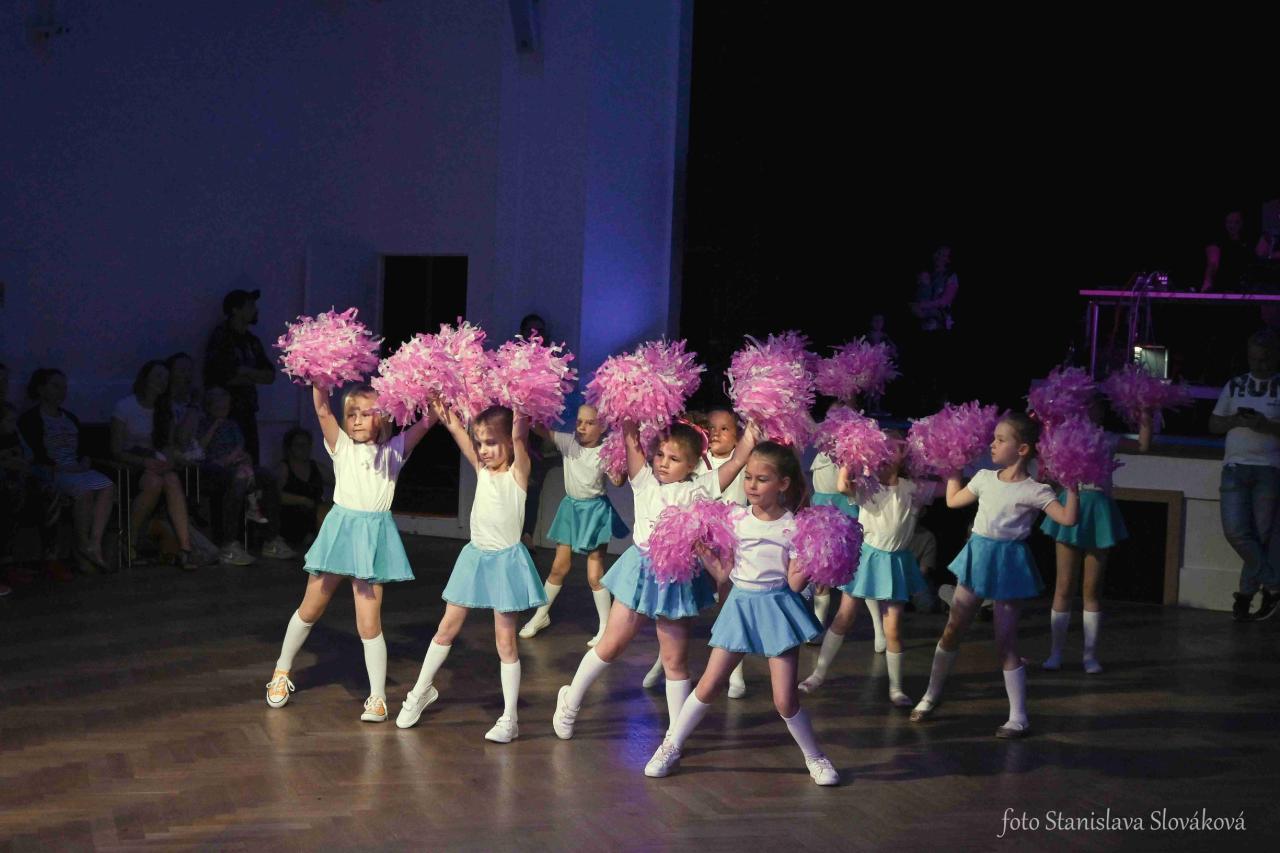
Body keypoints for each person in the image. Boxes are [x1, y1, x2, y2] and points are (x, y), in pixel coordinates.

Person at [642, 441, 838, 786]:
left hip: (777, 608)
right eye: (748, 477)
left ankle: (815, 757)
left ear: (783, 484)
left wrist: (815, 557)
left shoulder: (794, 526)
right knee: (708, 685)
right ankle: (670, 746)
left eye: (762, 479)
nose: (752, 485)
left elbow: (794, 583)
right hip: (740, 607)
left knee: (784, 699)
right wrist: (700, 549)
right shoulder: (735, 519)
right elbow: (724, 573)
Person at [550, 419, 757, 743]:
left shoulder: (699, 488)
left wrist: (754, 431)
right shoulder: (644, 479)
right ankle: (570, 700)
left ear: (693, 463)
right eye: (659, 454)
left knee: (675, 660)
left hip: (676, 577)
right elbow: (630, 436)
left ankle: (675, 736)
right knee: (611, 645)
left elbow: (737, 460)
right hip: (640, 571)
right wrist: (630, 411)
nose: (663, 463)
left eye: (674, 459)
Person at [264, 385, 436, 721]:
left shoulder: (395, 450)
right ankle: (281, 671)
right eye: (351, 414)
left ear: (382, 417)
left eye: (365, 413)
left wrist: (435, 398)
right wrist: (319, 381)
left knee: (369, 623)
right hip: (341, 533)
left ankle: (377, 697)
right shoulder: (341, 446)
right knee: (310, 608)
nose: (356, 420)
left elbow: (427, 423)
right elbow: (322, 410)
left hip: (372, 539)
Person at [910, 414, 1078, 738]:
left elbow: (1068, 519)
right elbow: (953, 500)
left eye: (1001, 440)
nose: (993, 444)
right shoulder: (985, 478)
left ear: (1023, 449)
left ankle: (1019, 716)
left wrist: (1073, 484)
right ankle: (931, 695)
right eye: (994, 438)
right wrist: (954, 467)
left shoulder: (1036, 490)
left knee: (1005, 641)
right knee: (953, 629)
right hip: (978, 557)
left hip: (1009, 564)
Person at [396, 403, 545, 743]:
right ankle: (420, 691)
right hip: (475, 558)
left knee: (505, 641)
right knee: (445, 628)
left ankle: (509, 718)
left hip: (506, 562)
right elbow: (456, 430)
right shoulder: (481, 468)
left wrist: (522, 401)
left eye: (492, 442)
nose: (484, 450)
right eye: (480, 443)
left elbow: (520, 436)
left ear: (509, 441)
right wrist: (441, 407)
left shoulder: (518, 472)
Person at [799, 431, 940, 706]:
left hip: (895, 561)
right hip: (868, 558)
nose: (886, 454)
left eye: (894, 448)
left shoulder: (913, 488)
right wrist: (849, 455)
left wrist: (950, 461)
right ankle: (818, 674)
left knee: (893, 628)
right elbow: (842, 485)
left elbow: (948, 490)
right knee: (844, 616)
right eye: (881, 449)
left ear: (904, 455)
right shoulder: (867, 486)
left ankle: (896, 688)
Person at [519, 404, 628, 646]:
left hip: (595, 512)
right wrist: (526, 405)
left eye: (589, 423)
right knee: (559, 567)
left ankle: (605, 627)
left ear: (602, 427)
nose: (582, 427)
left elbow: (618, 482)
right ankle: (541, 615)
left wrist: (619, 460)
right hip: (570, 509)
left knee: (594, 574)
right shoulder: (568, 442)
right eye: (579, 421)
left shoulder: (606, 451)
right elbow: (539, 429)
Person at [1210, 330, 1280, 621]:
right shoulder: (1236, 385)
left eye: (1264, 360)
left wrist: (1266, 426)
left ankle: (1245, 596)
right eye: (1253, 359)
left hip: (1269, 469)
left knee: (1259, 538)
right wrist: (1235, 420)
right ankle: (1274, 586)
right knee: (1236, 532)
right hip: (1236, 467)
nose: (1258, 365)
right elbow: (1214, 424)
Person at [18, 369, 116, 572]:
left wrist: (85, 460)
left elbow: (83, 449)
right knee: (84, 492)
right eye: (55, 386)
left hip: (77, 468)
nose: (62, 391)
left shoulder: (70, 417)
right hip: (54, 471)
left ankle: (94, 543)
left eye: (64, 387)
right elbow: (34, 456)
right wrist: (63, 467)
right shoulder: (31, 419)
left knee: (107, 485)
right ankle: (82, 545)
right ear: (41, 389)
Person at [111, 361, 195, 569]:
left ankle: (185, 548)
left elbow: (168, 444)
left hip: (157, 462)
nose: (162, 381)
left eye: (165, 378)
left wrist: (167, 462)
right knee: (154, 482)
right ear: (145, 378)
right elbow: (116, 450)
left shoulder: (164, 411)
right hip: (132, 464)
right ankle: (128, 540)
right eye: (158, 376)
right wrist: (144, 462)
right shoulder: (125, 406)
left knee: (171, 478)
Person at [203, 288, 275, 464]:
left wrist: (246, 372)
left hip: (247, 410)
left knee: (250, 459)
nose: (255, 310)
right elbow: (221, 375)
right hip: (224, 413)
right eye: (250, 306)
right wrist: (252, 375)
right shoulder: (221, 337)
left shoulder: (252, 341)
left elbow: (270, 375)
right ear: (235, 310)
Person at [276, 427, 333, 547]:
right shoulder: (284, 468)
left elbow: (338, 482)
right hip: (291, 516)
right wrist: (303, 500)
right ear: (290, 448)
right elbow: (275, 495)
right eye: (298, 445)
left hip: (316, 514)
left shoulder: (317, 467)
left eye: (306, 445)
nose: (303, 448)